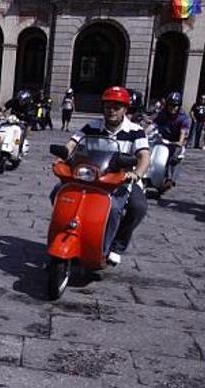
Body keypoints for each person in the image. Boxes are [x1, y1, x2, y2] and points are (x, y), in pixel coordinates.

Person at [63, 86, 151, 266]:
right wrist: (62, 156)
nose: (112, 110)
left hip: (121, 180)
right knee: (59, 194)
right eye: (108, 106)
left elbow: (144, 155)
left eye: (117, 106)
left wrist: (137, 173)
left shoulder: (135, 130)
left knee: (132, 207)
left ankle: (111, 247)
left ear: (125, 109)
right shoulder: (92, 126)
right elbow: (73, 143)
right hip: (90, 177)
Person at [152, 91, 190, 188]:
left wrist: (180, 142)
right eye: (170, 105)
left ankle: (170, 179)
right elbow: (154, 124)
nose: (172, 108)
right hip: (164, 139)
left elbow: (183, 131)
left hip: (176, 142)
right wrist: (143, 132)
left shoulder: (183, 118)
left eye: (175, 105)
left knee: (174, 159)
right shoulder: (162, 114)